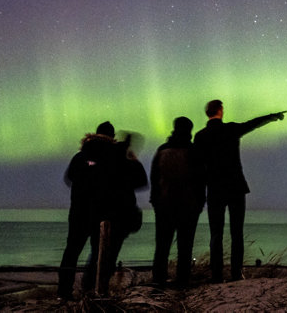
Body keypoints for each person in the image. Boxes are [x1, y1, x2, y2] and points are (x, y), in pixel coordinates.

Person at [193, 100, 286, 282]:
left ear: (208, 113)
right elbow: (252, 124)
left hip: (214, 189)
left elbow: (198, 166)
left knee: (216, 234)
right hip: (235, 187)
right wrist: (272, 117)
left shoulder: (200, 136)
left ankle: (217, 276)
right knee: (237, 233)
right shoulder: (230, 129)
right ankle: (236, 274)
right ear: (220, 111)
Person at [57, 121, 147, 299]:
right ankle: (92, 290)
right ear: (112, 138)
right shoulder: (117, 159)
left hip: (79, 213)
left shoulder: (80, 156)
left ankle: (63, 292)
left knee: (71, 252)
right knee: (100, 254)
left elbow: (70, 178)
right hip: (104, 214)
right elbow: (140, 180)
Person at [150, 116, 206, 287]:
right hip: (188, 206)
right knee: (185, 246)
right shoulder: (194, 151)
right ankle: (182, 280)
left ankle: (159, 279)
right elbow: (200, 179)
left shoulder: (162, 150)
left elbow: (154, 178)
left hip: (164, 205)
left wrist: (155, 200)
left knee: (162, 245)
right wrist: (200, 202)